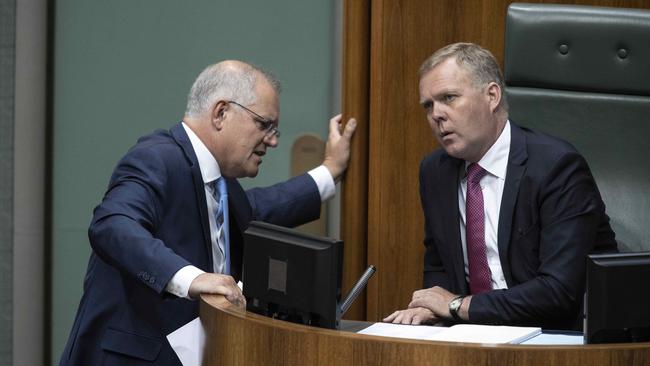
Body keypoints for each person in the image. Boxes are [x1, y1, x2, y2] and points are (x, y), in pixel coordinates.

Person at [59, 60, 357, 365]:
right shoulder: (156, 158)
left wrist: (329, 170)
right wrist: (193, 279)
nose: (274, 140)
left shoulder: (222, 186)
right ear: (221, 113)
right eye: (264, 124)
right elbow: (112, 225)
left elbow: (261, 208)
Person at [384, 43, 616, 330]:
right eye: (428, 105)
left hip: (555, 337)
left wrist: (456, 306)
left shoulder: (556, 166)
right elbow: (439, 263)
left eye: (449, 98)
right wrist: (430, 307)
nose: (436, 115)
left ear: (492, 96)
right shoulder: (435, 171)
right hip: (471, 334)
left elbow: (558, 291)